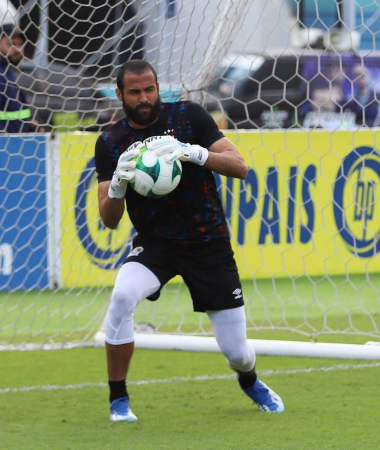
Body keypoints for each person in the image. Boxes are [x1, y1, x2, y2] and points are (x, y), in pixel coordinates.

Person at [94, 60, 284, 422]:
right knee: (121, 296)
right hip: (156, 244)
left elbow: (240, 167)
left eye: (150, 89)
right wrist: (117, 186)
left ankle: (250, 379)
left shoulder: (189, 117)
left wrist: (195, 153)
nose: (145, 98)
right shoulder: (110, 142)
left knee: (236, 352)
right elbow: (109, 218)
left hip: (207, 240)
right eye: (135, 92)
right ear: (119, 94)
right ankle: (118, 400)